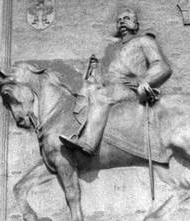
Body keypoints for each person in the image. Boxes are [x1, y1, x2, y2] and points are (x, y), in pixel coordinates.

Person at [60, 7, 172, 155]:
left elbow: (162, 67)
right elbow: (109, 75)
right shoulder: (114, 49)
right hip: (114, 89)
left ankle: (89, 143)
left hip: (131, 89)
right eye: (119, 21)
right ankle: (77, 132)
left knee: (100, 96)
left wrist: (144, 82)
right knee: (87, 90)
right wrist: (95, 71)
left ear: (136, 25)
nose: (121, 22)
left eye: (126, 19)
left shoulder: (144, 41)